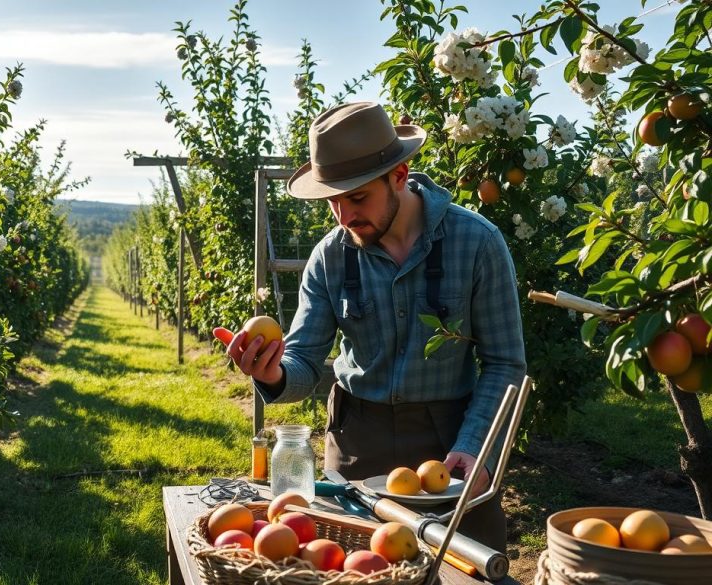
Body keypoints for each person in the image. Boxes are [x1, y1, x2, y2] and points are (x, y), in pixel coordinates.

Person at [225, 102, 526, 551]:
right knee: (353, 568)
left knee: (466, 565)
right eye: (333, 202)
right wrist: (275, 373)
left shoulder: (477, 243)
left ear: (400, 176)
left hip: (450, 441)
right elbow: (304, 359)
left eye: (358, 198)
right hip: (357, 441)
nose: (344, 217)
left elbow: (505, 364)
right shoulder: (331, 257)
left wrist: (476, 444)